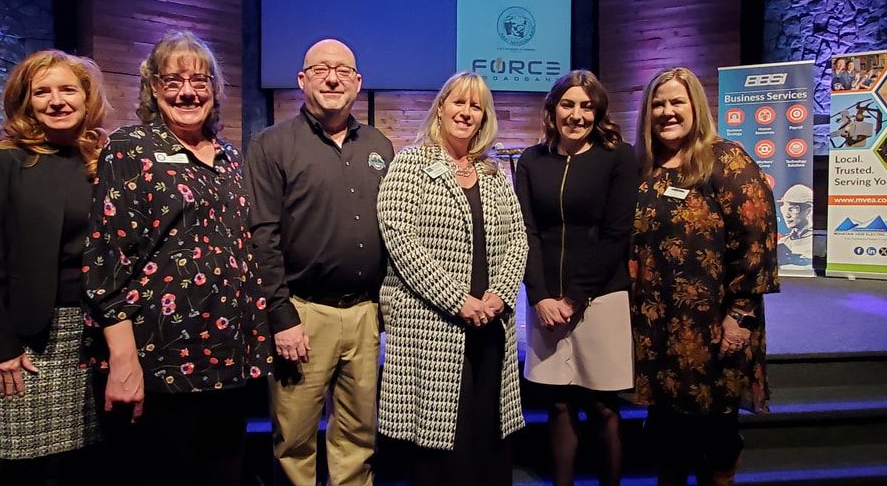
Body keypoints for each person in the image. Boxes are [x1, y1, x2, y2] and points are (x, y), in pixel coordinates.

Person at [83, 30, 271, 485]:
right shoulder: (130, 148)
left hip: (227, 359)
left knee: (222, 472)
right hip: (159, 359)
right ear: (152, 87)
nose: (187, 91)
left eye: (199, 81)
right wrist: (123, 359)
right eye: (173, 81)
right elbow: (107, 260)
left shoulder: (227, 156)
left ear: (214, 90)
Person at [245, 39, 393, 486]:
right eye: (322, 69)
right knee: (294, 441)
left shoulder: (380, 145)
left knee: (358, 438)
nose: (333, 78)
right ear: (302, 79)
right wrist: (282, 315)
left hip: (366, 315)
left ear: (358, 82)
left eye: (343, 71)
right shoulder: (272, 145)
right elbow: (261, 237)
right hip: (303, 315)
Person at [377, 71, 527, 485]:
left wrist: (499, 295)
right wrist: (457, 299)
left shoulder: (493, 172)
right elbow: (400, 239)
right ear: (440, 107)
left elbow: (518, 237)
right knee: (441, 442)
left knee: (488, 432)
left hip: (490, 324)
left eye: (475, 106)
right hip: (433, 325)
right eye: (458, 102)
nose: (465, 112)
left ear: (484, 117)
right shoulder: (412, 163)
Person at [631, 67, 779, 486]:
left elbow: (757, 240)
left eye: (677, 102)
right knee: (666, 432)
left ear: (695, 105)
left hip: (714, 323)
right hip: (659, 324)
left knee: (715, 431)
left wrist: (742, 314)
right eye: (658, 104)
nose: (667, 112)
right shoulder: (646, 167)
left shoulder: (726, 159)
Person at [0, 49, 107, 485]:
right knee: (22, 467)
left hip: (93, 335)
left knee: (86, 462)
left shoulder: (101, 160)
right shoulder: (1, 160)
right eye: (42, 92)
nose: (56, 101)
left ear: (87, 98)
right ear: (26, 101)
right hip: (26, 340)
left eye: (68, 89)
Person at [514, 70, 637, 486]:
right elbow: (526, 231)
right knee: (560, 404)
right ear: (552, 109)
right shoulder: (532, 160)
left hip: (601, 296)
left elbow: (617, 233)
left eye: (586, 106)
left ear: (598, 111)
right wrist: (540, 295)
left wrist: (575, 297)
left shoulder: (619, 157)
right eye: (568, 104)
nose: (577, 114)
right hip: (547, 301)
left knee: (604, 407)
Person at [776, 184, 813, 267]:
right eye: (784, 209)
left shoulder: (816, 241)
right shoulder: (783, 242)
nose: (787, 215)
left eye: (792, 209)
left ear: (808, 210)